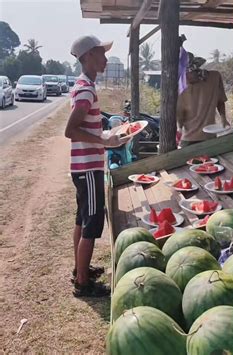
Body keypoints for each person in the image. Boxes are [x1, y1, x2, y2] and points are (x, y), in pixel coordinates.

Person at [66, 35, 128, 297]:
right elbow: (71, 130)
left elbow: (86, 122)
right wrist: (106, 143)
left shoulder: (83, 85)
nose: (105, 59)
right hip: (89, 169)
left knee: (82, 219)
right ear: (89, 56)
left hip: (82, 169)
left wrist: (105, 133)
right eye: (102, 54)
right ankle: (83, 283)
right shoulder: (86, 89)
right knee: (92, 223)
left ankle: (80, 269)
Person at [176, 53, 230, 147]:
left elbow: (220, 101)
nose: (186, 78)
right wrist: (179, 127)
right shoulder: (182, 85)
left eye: (186, 74)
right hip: (188, 137)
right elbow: (180, 112)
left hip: (208, 136)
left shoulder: (214, 77)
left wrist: (223, 117)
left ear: (194, 70)